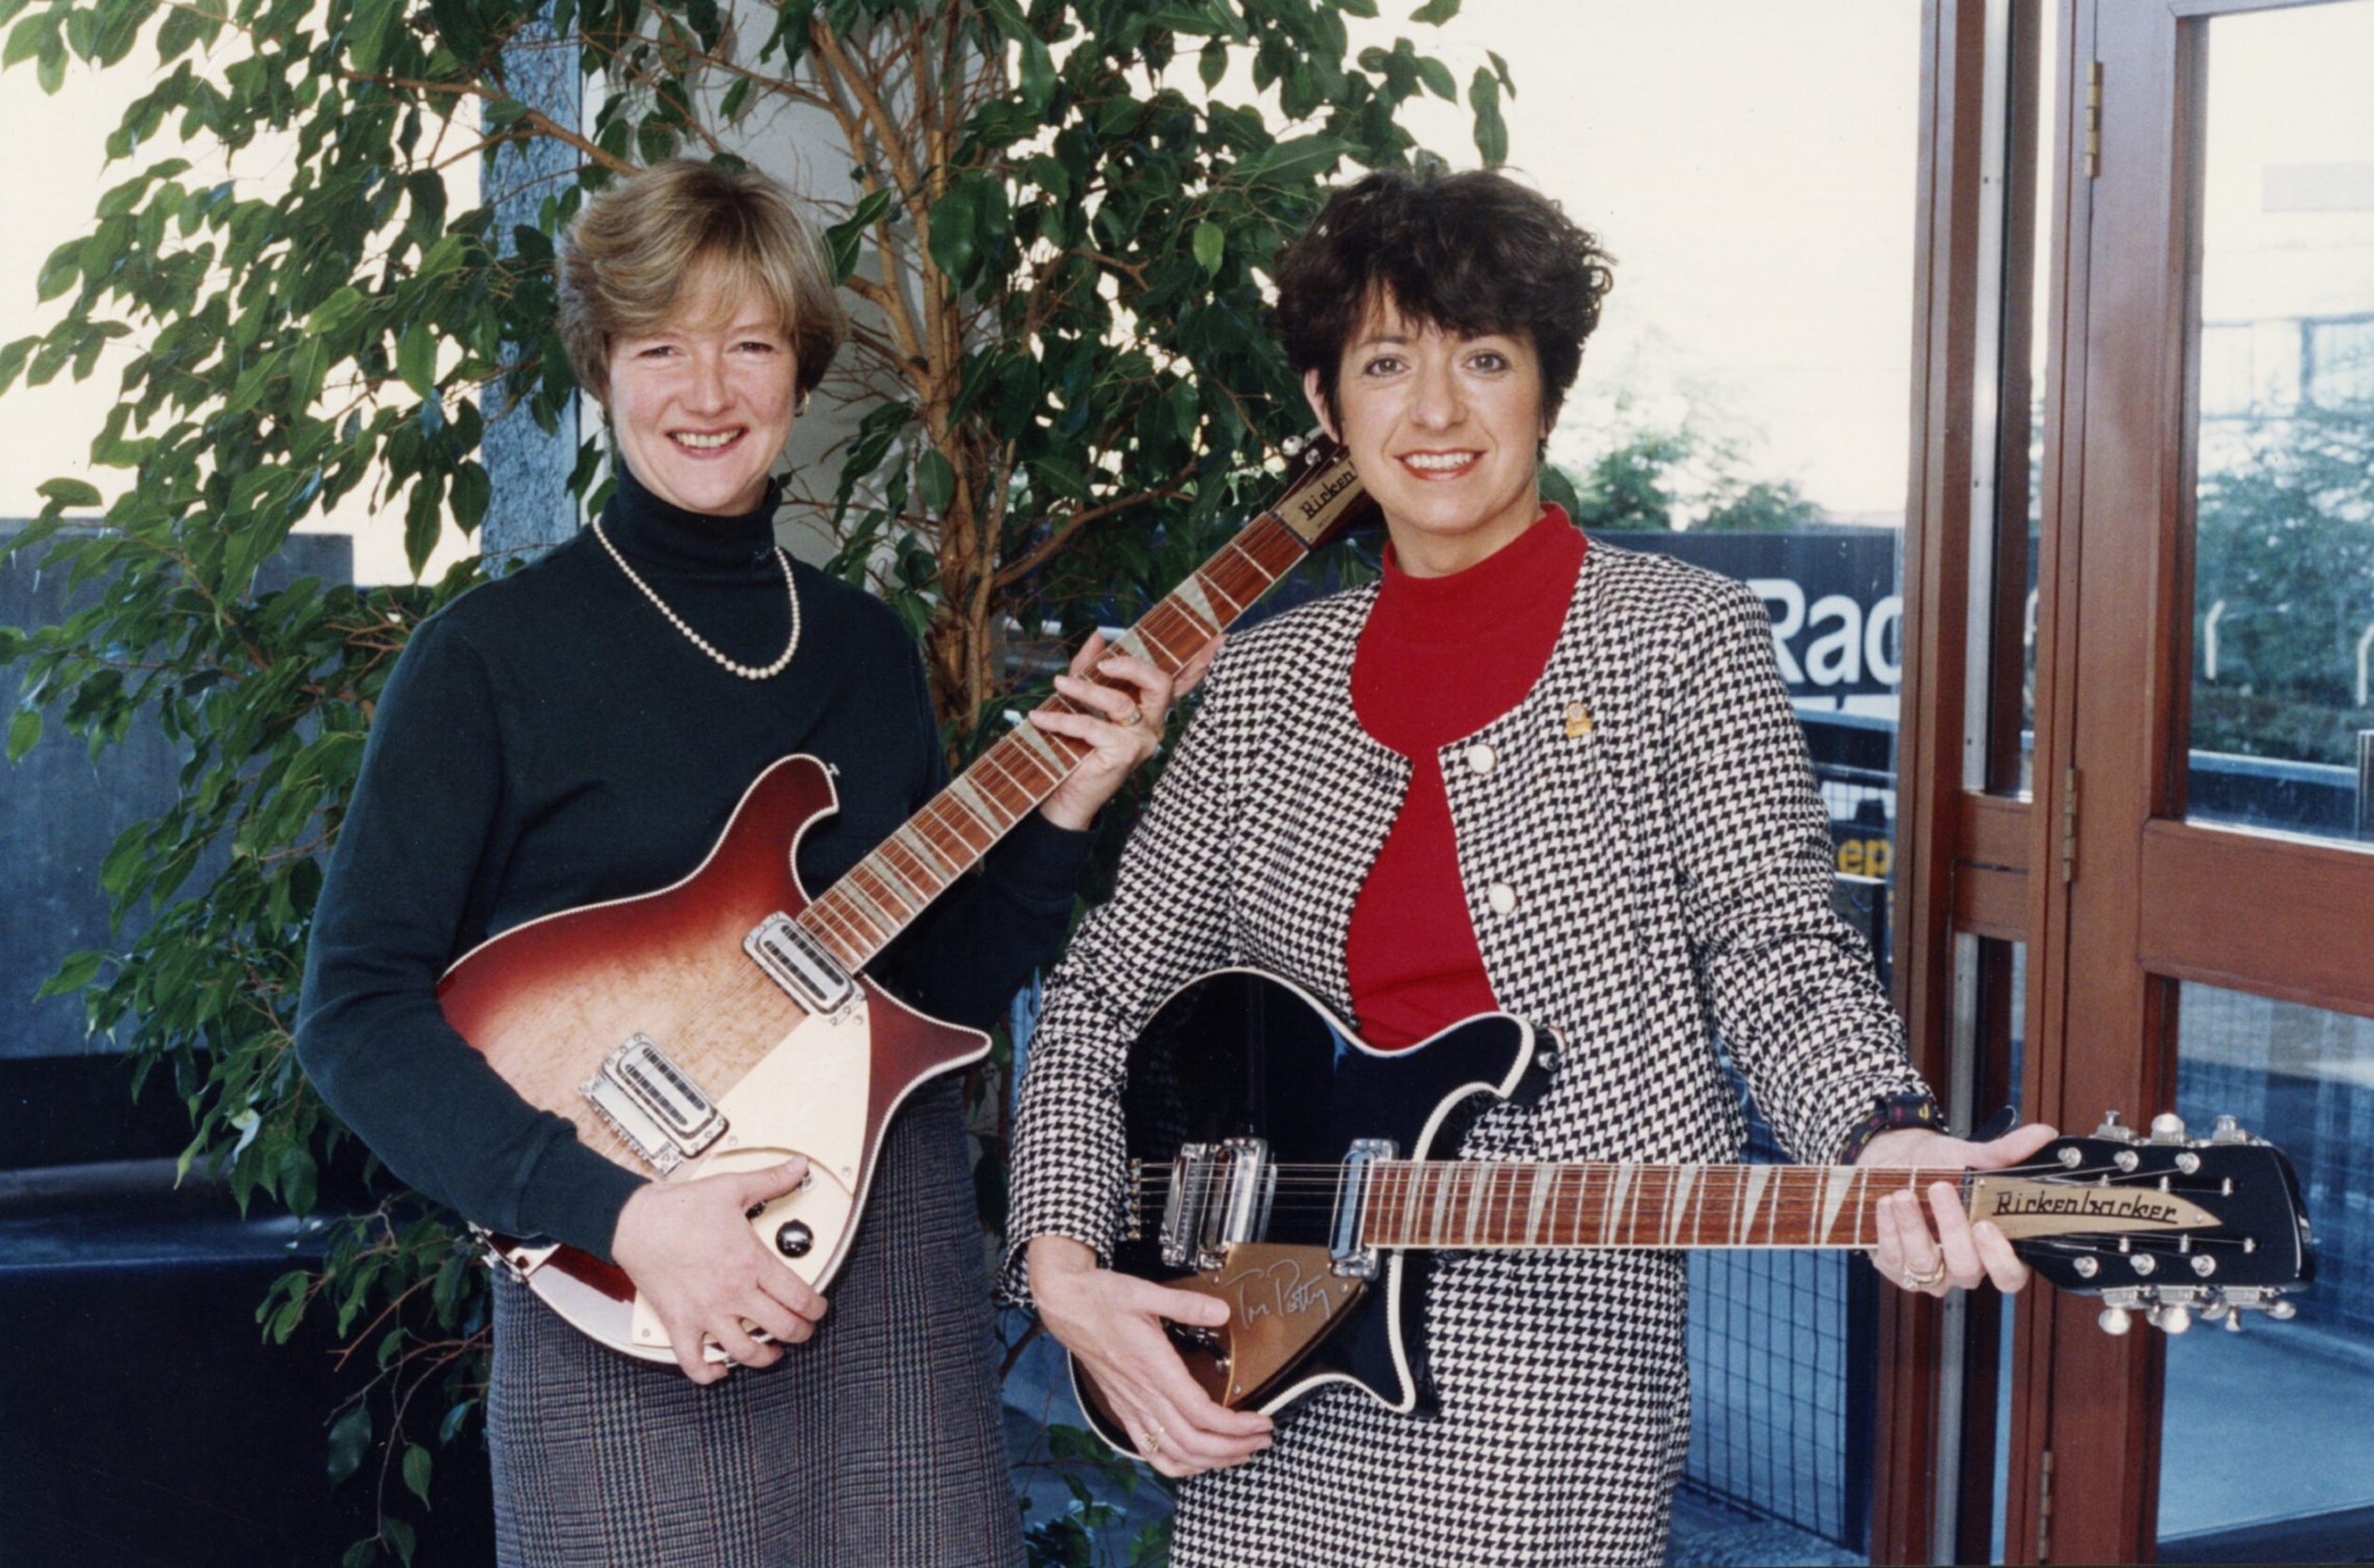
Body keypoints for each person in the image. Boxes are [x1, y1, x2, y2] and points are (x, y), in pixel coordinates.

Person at [1003, 167, 2055, 1566]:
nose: (1435, 412)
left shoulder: (1683, 640)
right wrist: (1066, 1269)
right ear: (1328, 406)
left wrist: (1881, 1135)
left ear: (1548, 391)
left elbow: (1775, 945)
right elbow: (1099, 1002)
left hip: (1554, 1381)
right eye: (1386, 363)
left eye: (1483, 359)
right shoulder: (1261, 689)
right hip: (1263, 1365)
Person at [297, 160, 1194, 1565]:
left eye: (749, 344)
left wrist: (1064, 810)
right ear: (605, 366)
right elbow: (352, 1012)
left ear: (797, 368)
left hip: (889, 1268)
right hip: (632, 1288)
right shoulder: (487, 659)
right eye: (662, 345)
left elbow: (934, 989)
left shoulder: (862, 650)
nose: (706, 391)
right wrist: (622, 1213)